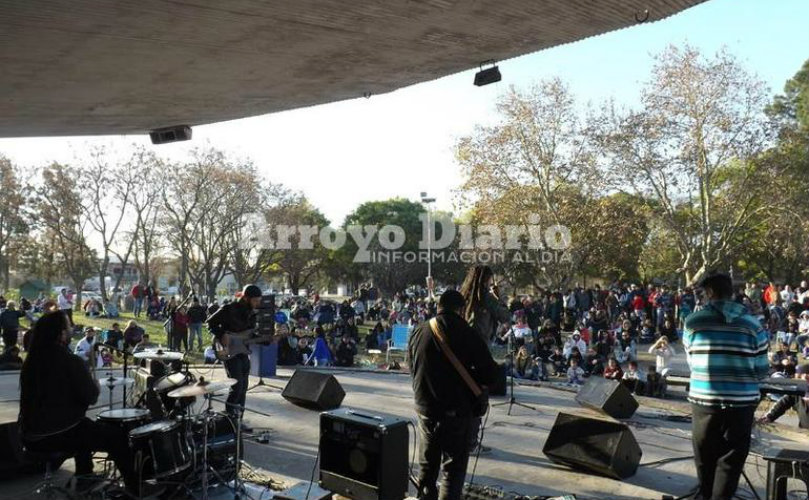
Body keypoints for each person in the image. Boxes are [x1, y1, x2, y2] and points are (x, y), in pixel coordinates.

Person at [18, 311, 142, 495]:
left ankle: (85, 475)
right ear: (60, 334)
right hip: (58, 434)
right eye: (68, 326)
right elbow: (90, 397)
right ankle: (135, 491)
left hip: (29, 436)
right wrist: (96, 388)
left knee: (84, 426)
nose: (71, 329)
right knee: (117, 436)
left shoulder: (31, 361)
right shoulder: (70, 361)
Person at [683, 272, 770, 500]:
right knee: (731, 462)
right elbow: (762, 370)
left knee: (705, 458)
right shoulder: (753, 325)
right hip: (741, 405)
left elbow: (692, 362)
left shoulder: (693, 322)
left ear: (710, 292)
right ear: (731, 292)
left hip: (704, 402)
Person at [408, 290, 498, 500]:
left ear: (439, 307)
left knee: (427, 469)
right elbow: (491, 375)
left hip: (425, 410)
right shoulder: (467, 333)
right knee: (452, 471)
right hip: (455, 414)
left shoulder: (419, 330)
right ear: (461, 309)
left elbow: (412, 367)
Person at [207, 284, 261, 429]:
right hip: (228, 351)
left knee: (244, 387)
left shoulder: (252, 314)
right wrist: (221, 334)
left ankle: (238, 419)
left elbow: (250, 334)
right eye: (255, 300)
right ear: (246, 298)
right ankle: (229, 419)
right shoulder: (228, 309)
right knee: (236, 386)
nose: (257, 303)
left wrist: (268, 339)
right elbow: (210, 323)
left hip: (243, 351)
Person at [459, 265, 511, 345]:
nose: (491, 282)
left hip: (464, 339)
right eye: (490, 279)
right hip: (481, 341)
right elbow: (505, 316)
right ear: (485, 280)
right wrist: (498, 297)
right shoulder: (487, 298)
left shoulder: (464, 296)